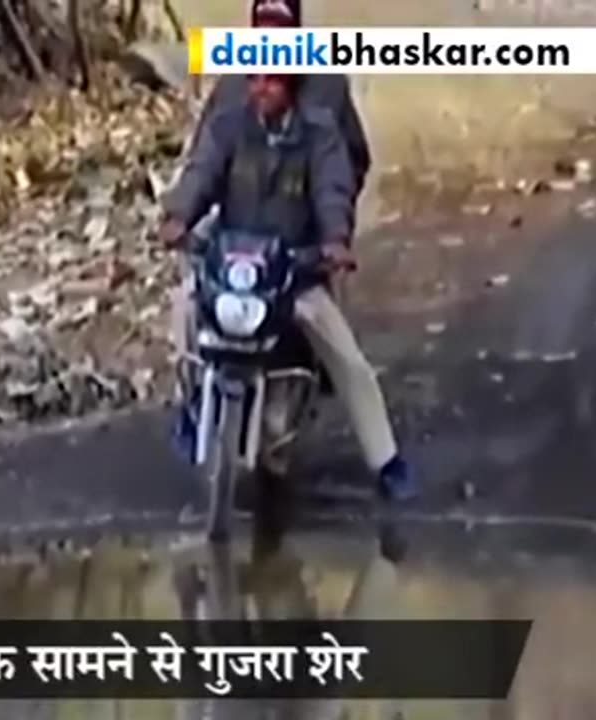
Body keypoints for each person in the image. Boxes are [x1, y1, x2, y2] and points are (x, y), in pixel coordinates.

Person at [158, 69, 417, 503]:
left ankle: (386, 460)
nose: (261, 88)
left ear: (291, 83)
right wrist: (178, 215)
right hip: (233, 266)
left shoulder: (318, 132)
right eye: (255, 79)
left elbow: (333, 188)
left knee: (345, 356)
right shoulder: (229, 121)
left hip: (294, 269)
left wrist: (334, 241)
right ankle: (191, 406)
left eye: (273, 81)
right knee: (183, 306)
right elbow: (201, 171)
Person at [192, 0, 373, 205]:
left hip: (307, 224)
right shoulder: (232, 86)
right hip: (238, 222)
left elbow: (355, 160)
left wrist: (330, 210)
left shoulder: (328, 86)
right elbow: (202, 160)